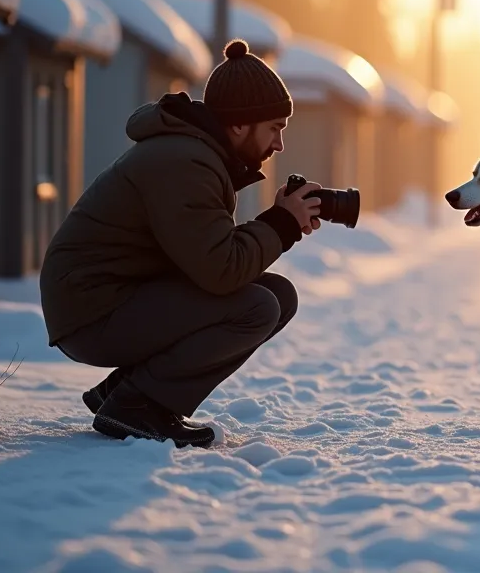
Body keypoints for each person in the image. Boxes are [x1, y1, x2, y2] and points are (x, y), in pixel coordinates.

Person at [38, 39, 326, 448]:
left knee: (277, 293)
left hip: (111, 298)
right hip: (92, 311)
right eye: (274, 129)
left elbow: (205, 255)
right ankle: (137, 406)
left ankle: (124, 391)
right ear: (240, 124)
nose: (278, 145)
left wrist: (279, 224)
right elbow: (220, 269)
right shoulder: (185, 162)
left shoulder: (193, 154)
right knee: (256, 306)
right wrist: (280, 224)